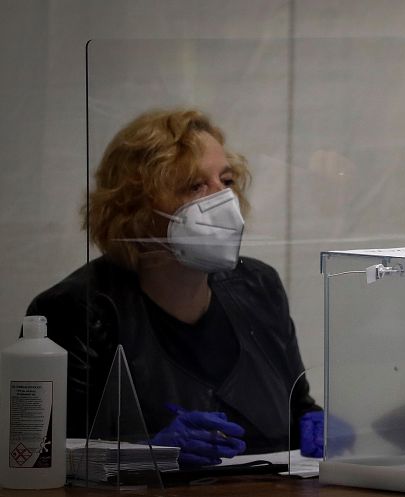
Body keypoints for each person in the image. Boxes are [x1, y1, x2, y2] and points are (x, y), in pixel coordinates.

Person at [26, 108, 321, 467]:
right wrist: (146, 455)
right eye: (195, 186)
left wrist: (318, 424)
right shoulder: (77, 310)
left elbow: (298, 408)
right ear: (137, 208)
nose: (222, 201)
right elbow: (42, 457)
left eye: (225, 181)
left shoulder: (258, 286)